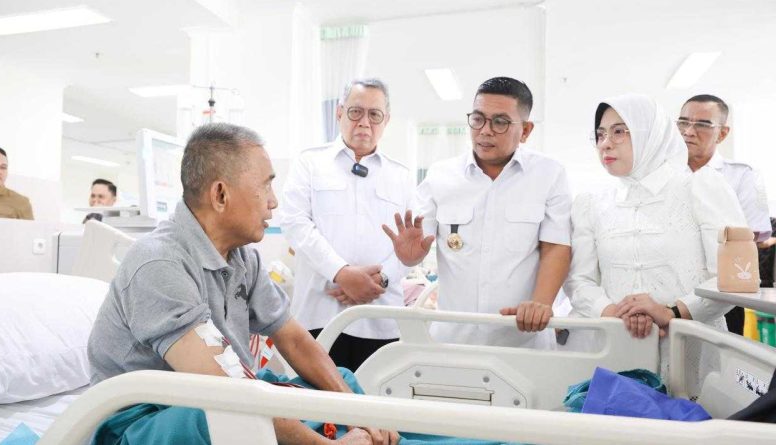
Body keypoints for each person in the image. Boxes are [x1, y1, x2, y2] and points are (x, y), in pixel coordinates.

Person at [88, 123, 396, 445]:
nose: (273, 202)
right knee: (221, 413)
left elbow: (293, 340)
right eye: (266, 186)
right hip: (145, 421)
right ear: (221, 195)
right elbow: (224, 393)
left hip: (228, 398)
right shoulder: (158, 264)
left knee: (337, 382)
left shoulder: (242, 258)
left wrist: (356, 411)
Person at [384, 77, 572, 348]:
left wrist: (541, 303)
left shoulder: (549, 174)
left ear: (526, 130)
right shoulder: (441, 175)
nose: (485, 131)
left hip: (523, 341)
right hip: (453, 339)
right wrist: (410, 256)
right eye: (478, 119)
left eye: (500, 122)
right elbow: (418, 244)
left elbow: (556, 247)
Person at [565, 93, 746, 374]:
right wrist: (613, 313)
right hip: (615, 346)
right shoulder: (591, 203)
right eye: (600, 134)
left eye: (619, 132)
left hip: (691, 346)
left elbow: (733, 277)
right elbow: (579, 280)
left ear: (651, 134)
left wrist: (672, 312)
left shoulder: (701, 187)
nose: (605, 144)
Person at [281, 78, 411, 372]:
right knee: (316, 400)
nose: (364, 122)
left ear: (386, 120)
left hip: (380, 320)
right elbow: (295, 223)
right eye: (355, 112)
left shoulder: (400, 176)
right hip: (319, 314)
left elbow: (411, 243)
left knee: (374, 400)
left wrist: (380, 281)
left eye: (374, 114)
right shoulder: (310, 163)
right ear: (339, 113)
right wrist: (341, 273)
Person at [678, 94, 771, 335]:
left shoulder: (743, 176)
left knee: (724, 355)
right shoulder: (667, 176)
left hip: (723, 293)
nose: (688, 131)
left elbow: (753, 236)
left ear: (722, 133)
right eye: (683, 122)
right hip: (674, 290)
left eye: (702, 124)